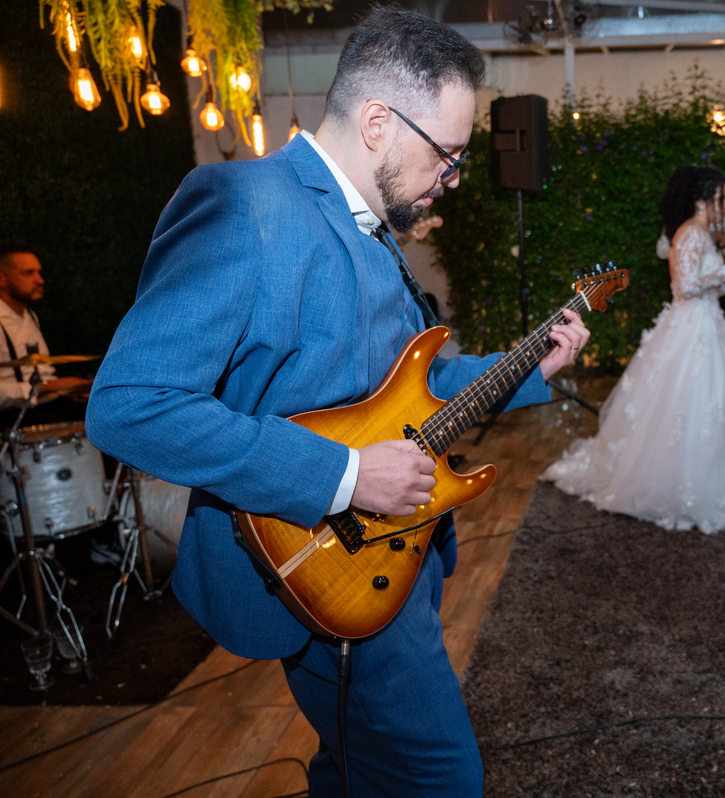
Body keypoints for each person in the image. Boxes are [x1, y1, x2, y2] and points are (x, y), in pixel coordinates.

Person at [85, 10, 589, 797]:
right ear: (380, 122)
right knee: (441, 776)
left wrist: (534, 367)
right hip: (314, 559)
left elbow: (411, 395)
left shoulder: (374, 227)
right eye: (448, 154)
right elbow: (128, 404)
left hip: (397, 552)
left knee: (353, 767)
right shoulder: (240, 203)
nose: (453, 176)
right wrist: (348, 477)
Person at [544, 166, 725, 533]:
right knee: (685, 406)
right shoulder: (689, 233)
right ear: (703, 201)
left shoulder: (704, 232)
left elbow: (703, 287)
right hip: (690, 331)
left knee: (715, 406)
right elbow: (685, 286)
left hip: (706, 325)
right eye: (723, 197)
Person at [0, 244, 91, 421]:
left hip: (44, 409)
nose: (40, 280)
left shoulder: (30, 316)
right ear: (1, 280)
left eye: (39, 272)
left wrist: (69, 390)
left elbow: (41, 371)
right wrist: (50, 386)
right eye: (28, 273)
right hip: (13, 420)